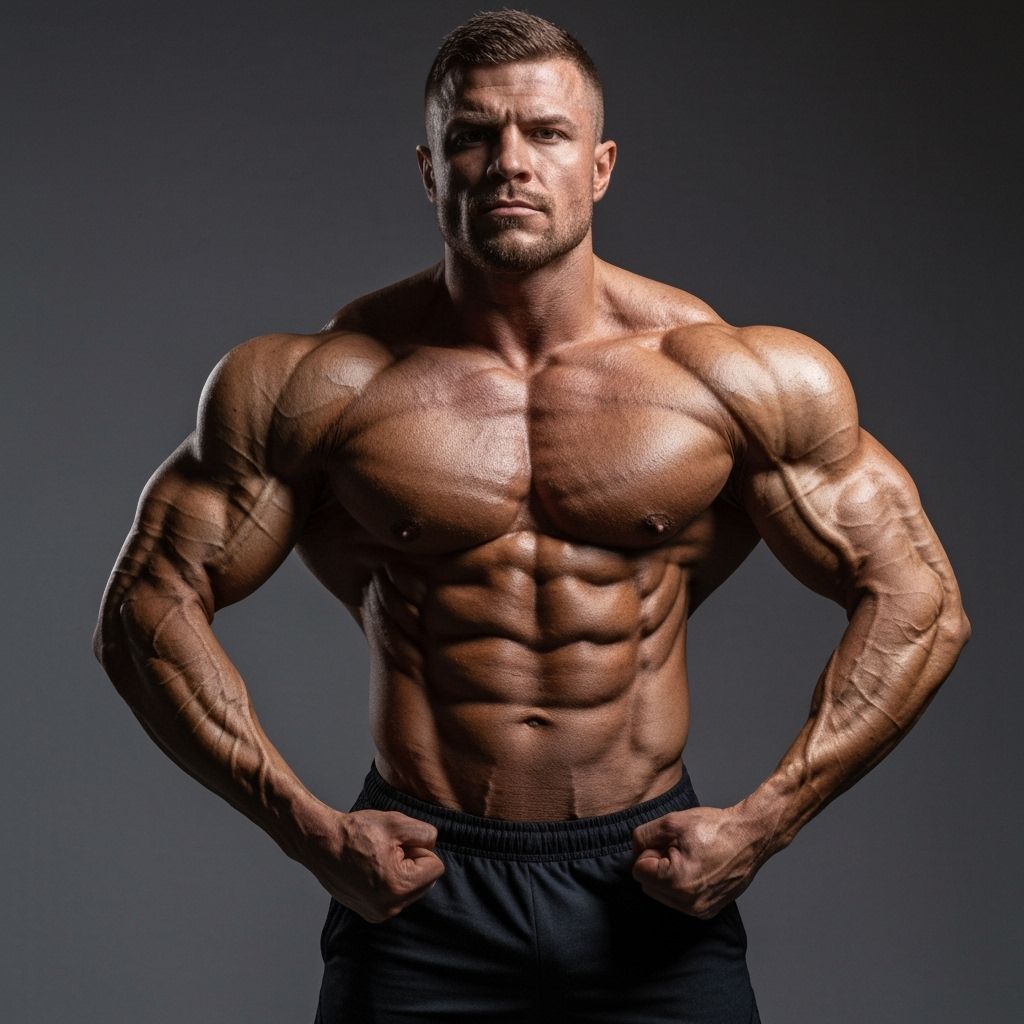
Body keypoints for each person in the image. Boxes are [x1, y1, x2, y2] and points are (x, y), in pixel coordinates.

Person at [94, 9, 970, 1023]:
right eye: (472, 135)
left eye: (545, 134)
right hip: (419, 890)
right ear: (429, 169)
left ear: (598, 166)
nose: (509, 162)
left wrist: (765, 822)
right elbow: (143, 608)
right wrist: (308, 831)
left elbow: (919, 597)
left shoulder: (730, 375)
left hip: (648, 885)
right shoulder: (317, 384)